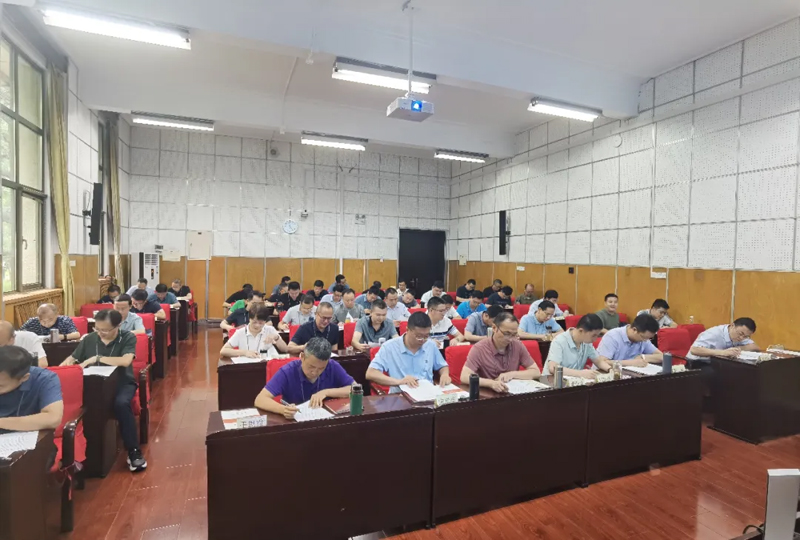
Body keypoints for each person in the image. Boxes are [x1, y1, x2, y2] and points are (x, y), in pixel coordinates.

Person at [61, 309, 146, 472]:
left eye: (105, 330)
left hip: (122, 383)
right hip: (92, 385)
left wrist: (96, 359)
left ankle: (133, 451)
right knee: (80, 406)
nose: (100, 333)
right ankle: (80, 457)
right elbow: (72, 358)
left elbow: (125, 361)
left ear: (118, 326)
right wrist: (63, 368)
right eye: (97, 329)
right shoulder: (90, 339)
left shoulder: (127, 337)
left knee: (121, 404)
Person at [255, 338, 354, 418]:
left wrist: (326, 392)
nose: (315, 372)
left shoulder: (332, 366)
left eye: (321, 368)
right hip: (295, 424)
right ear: (302, 357)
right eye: (311, 367)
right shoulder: (287, 371)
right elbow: (260, 399)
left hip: (325, 421)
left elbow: (355, 389)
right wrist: (283, 409)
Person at [366, 312, 451, 393]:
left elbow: (442, 366)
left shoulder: (430, 345)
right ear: (407, 330)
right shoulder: (389, 347)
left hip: (427, 394)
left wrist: (445, 375)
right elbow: (371, 373)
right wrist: (399, 381)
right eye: (418, 336)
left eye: (426, 336)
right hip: (400, 395)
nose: (422, 340)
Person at [461, 312, 541, 392]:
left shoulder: (517, 345)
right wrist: (490, 383)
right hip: (488, 393)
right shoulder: (479, 348)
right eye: (507, 334)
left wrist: (512, 374)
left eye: (514, 335)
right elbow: (464, 376)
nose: (510, 339)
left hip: (512, 392)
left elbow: (536, 372)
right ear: (494, 328)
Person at [0, 345, 62, 432]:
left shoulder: (44, 379)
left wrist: (2, 423)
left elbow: (53, 418)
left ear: (24, 378)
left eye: (1, 386)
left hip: (25, 436)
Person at [542, 313, 610, 379]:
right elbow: (553, 368)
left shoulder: (587, 343)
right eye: (593, 335)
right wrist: (580, 373)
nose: (595, 339)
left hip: (573, 381)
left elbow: (598, 361)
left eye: (597, 335)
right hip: (551, 381)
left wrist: (610, 370)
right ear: (581, 331)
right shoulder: (559, 341)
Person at [596, 314, 663, 367]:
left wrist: (643, 357)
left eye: (649, 338)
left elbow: (662, 357)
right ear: (634, 330)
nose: (645, 341)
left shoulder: (644, 338)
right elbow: (602, 362)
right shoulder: (612, 336)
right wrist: (631, 362)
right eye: (643, 337)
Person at [221, 306, 287, 360]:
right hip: (247, 367)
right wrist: (244, 352)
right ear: (249, 319)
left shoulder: (270, 330)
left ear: (265, 321)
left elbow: (285, 349)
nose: (257, 325)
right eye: (254, 322)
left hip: (267, 365)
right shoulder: (240, 332)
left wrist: (277, 338)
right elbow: (223, 351)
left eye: (261, 323)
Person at [687, 318, 759, 361]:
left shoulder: (742, 336)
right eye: (740, 334)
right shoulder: (714, 333)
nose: (741, 338)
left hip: (717, 363)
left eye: (746, 336)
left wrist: (736, 349)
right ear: (732, 325)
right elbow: (694, 350)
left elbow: (755, 347)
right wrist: (723, 352)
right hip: (697, 363)